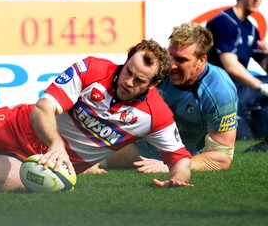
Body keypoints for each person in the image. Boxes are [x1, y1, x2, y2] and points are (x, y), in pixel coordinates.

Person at [0, 39, 194, 191]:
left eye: (139, 80)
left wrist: (177, 178)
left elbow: (180, 157)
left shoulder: (156, 114)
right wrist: (56, 143)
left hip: (44, 165)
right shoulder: (93, 68)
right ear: (125, 61)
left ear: (154, 83)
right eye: (128, 71)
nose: (128, 82)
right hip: (18, 124)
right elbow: (44, 108)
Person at [84, 22, 238, 174]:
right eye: (170, 55)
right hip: (136, 147)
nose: (171, 66)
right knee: (81, 157)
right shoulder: (157, 70)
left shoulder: (220, 92)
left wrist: (176, 165)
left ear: (201, 60)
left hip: (180, 156)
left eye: (181, 60)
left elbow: (222, 158)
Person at [206, 0, 268, 153]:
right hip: (220, 92)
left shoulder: (250, 27)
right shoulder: (224, 22)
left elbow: (264, 63)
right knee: (243, 137)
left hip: (240, 89)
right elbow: (231, 67)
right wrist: (262, 87)